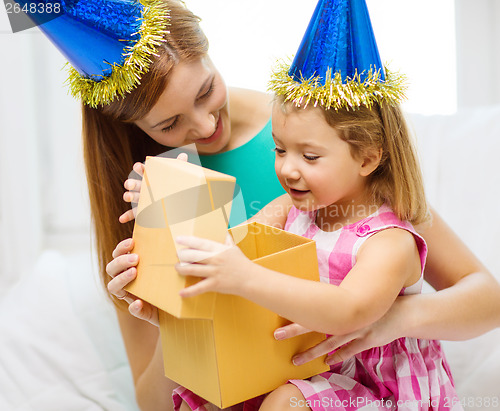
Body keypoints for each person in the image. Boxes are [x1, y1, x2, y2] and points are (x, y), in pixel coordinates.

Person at [36, 0, 499, 410]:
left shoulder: (313, 133)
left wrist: (386, 317)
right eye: (170, 123)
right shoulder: (156, 186)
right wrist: (172, 314)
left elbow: (485, 298)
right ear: (136, 128)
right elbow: (156, 402)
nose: (204, 125)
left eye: (204, 91)